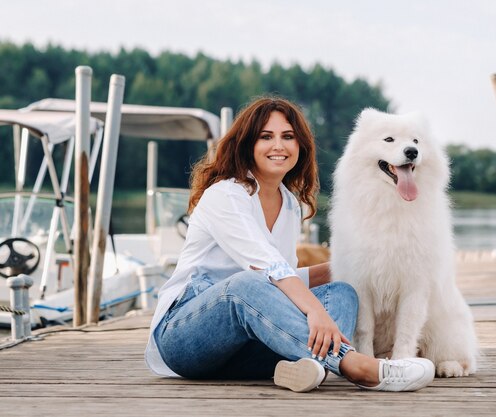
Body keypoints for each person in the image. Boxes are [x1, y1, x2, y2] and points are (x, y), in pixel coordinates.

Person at [144, 96, 435, 392]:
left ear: (301, 146)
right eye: (266, 137)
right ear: (247, 144)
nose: (279, 146)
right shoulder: (226, 194)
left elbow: (287, 280)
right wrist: (316, 312)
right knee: (246, 284)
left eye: (288, 137)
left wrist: (350, 266)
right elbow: (268, 270)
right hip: (184, 339)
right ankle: (358, 366)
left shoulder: (289, 205)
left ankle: (308, 366)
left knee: (343, 291)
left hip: (247, 349)